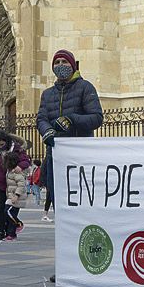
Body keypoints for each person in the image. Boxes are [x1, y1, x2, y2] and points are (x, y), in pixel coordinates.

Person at [36, 48, 103, 225]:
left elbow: (97, 117)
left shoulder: (85, 87)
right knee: (59, 201)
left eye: (64, 62)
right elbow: (41, 118)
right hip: (55, 154)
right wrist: (47, 131)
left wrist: (72, 120)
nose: (60, 65)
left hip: (80, 154)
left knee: (81, 199)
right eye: (57, 63)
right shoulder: (47, 94)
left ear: (73, 65)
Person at [0, 130, 29, 242]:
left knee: (11, 209)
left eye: (2, 144)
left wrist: (20, 166)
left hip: (13, 184)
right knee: (1, 209)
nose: (0, 147)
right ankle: (1, 231)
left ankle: (12, 231)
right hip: (0, 184)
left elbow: (26, 161)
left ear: (7, 141)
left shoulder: (17, 149)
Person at [5, 158, 27, 238]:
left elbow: (21, 185)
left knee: (8, 212)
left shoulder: (17, 173)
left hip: (16, 198)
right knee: (9, 214)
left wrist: (17, 195)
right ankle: (11, 234)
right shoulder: (9, 172)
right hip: (11, 196)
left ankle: (18, 224)